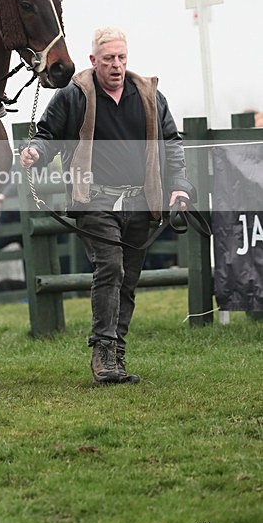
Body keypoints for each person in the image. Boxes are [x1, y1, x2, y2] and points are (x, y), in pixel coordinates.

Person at [20, 27, 195, 385]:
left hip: (140, 199)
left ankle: (116, 354)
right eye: (109, 59)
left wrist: (179, 189)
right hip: (94, 198)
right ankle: (103, 352)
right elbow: (49, 134)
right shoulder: (74, 95)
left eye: (121, 58)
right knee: (110, 267)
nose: (116, 66)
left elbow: (172, 145)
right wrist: (36, 152)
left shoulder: (149, 96)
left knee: (127, 280)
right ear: (93, 61)